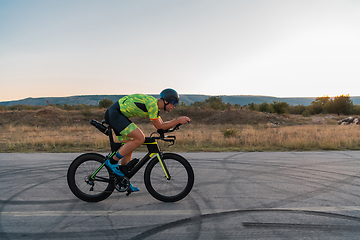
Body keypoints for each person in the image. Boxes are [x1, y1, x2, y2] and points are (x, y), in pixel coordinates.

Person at [104, 88, 190, 192]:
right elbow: (160, 126)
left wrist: (175, 125)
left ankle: (123, 180)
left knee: (129, 146)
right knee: (140, 138)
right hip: (115, 114)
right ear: (166, 100)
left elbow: (161, 127)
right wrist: (177, 120)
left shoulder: (154, 106)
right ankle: (112, 161)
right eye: (174, 102)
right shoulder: (152, 105)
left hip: (117, 114)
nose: (174, 106)